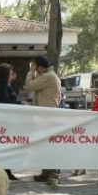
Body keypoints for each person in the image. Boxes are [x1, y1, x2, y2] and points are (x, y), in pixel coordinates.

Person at [23, 55, 62, 183]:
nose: (34, 68)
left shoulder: (47, 76)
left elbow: (28, 86)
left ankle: (53, 174)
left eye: (35, 66)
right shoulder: (50, 75)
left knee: (50, 146)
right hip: (47, 116)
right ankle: (47, 172)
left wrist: (30, 72)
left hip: (47, 117)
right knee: (46, 146)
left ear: (39, 67)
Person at [0, 63, 22, 181]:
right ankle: (5, 171)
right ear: (5, 75)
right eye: (9, 74)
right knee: (5, 145)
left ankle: (7, 170)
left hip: (9, 119)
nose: (11, 76)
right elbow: (6, 103)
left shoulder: (7, 86)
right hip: (5, 120)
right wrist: (19, 104)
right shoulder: (1, 88)